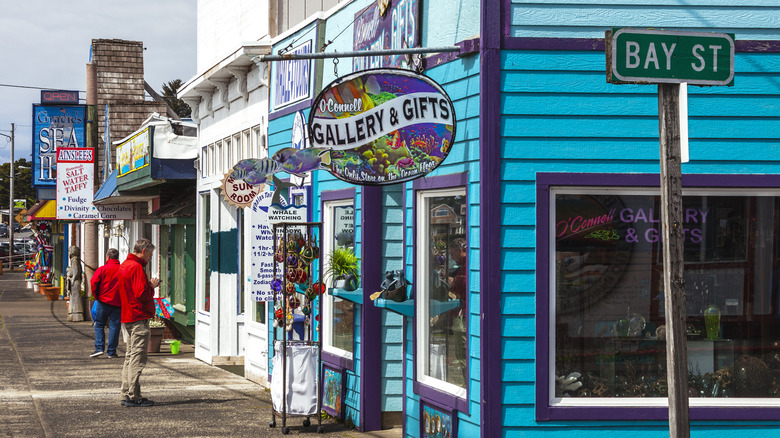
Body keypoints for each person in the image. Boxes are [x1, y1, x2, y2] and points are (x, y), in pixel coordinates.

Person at [118, 238, 160, 408]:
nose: (150, 258)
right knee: (138, 357)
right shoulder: (136, 267)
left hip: (128, 315)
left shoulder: (125, 265)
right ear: (143, 251)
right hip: (138, 316)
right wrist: (152, 286)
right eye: (150, 254)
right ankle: (134, 395)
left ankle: (126, 392)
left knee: (130, 356)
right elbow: (141, 293)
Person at [90, 248, 122, 358]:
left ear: (107, 257)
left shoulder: (102, 269)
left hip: (103, 301)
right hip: (118, 302)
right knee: (115, 326)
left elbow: (94, 282)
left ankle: (99, 348)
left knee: (99, 324)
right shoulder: (122, 269)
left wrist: (96, 296)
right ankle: (111, 351)